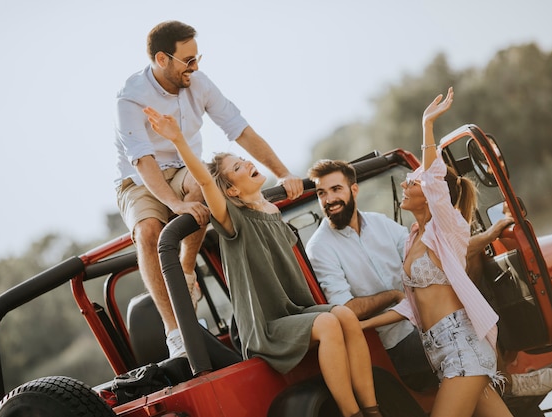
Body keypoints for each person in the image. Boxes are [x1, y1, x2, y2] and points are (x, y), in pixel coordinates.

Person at [142, 105, 384, 417]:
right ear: (231, 189)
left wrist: (286, 175)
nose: (246, 163)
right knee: (327, 322)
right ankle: (353, 414)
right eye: (237, 168)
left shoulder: (272, 211)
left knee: (347, 317)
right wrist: (178, 140)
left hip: (296, 312)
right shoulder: (233, 219)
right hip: (265, 326)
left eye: (244, 160)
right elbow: (204, 182)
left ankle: (373, 409)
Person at [113, 21, 303, 358]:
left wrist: (284, 172)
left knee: (207, 189)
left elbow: (240, 130)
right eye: (188, 60)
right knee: (149, 231)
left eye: (197, 57)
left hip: (183, 167)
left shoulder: (198, 83)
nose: (196, 66)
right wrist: (174, 204)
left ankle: (186, 271)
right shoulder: (131, 98)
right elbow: (142, 161)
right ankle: (176, 332)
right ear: (161, 58)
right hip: (140, 178)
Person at [305, 144, 552, 401]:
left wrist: (489, 235)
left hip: (428, 317)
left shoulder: (380, 223)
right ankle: (508, 383)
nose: (329, 199)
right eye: (321, 193)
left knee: (470, 286)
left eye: (336, 189)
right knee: (462, 327)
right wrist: (392, 295)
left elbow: (434, 253)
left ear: (353, 190)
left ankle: (503, 378)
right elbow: (345, 310)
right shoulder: (320, 247)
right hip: (398, 341)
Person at [350, 88, 514, 416]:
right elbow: (412, 307)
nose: (404, 186)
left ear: (427, 194)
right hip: (440, 351)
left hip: (462, 344)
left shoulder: (445, 227)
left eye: (411, 182)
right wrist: (361, 326)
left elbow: (437, 183)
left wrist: (427, 127)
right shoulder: (414, 240)